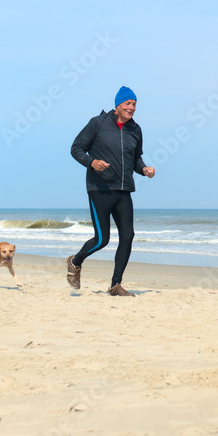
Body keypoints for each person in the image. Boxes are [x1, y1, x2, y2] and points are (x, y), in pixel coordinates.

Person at [67, 85, 155, 296]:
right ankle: (75, 261)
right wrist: (92, 162)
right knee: (101, 239)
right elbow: (76, 148)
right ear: (118, 105)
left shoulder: (135, 129)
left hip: (123, 190)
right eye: (128, 103)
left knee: (128, 236)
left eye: (134, 104)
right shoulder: (98, 123)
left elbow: (135, 159)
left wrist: (144, 169)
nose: (132, 107)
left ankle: (115, 285)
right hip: (99, 189)